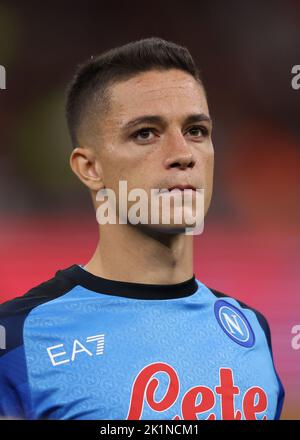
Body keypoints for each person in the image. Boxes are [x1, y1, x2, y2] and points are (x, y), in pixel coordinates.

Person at [0, 37, 284, 420]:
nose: (183, 154)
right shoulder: (18, 341)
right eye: (145, 133)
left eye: (196, 130)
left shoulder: (253, 330)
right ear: (90, 168)